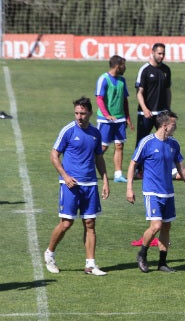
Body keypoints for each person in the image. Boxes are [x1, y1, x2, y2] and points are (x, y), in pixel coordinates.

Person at [44, 97, 110, 276]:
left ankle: (90, 264)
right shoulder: (68, 130)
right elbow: (54, 154)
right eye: (76, 113)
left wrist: (104, 180)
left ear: (89, 112)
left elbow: (99, 158)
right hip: (70, 185)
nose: (79, 116)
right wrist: (65, 176)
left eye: (82, 113)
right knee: (66, 223)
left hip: (90, 184)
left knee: (90, 223)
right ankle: (49, 254)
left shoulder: (96, 133)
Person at [126, 111, 185, 273]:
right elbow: (133, 164)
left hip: (168, 192)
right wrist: (129, 188)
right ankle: (142, 254)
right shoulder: (147, 142)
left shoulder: (173, 144)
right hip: (151, 191)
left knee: (166, 227)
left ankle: (162, 263)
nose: (175, 127)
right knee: (156, 226)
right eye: (173, 125)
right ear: (165, 126)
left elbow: (181, 167)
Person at [134, 43, 172, 178]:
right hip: (146, 113)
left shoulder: (166, 70)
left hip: (162, 113)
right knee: (142, 142)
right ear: (153, 52)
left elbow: (168, 91)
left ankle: (168, 169)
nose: (161, 56)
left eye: (163, 53)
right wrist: (145, 109)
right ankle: (137, 169)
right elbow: (139, 92)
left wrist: (168, 109)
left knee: (166, 139)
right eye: (159, 53)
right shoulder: (145, 69)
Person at [95, 55, 134, 183]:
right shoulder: (103, 79)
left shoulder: (122, 80)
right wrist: (106, 115)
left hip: (120, 119)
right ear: (118, 66)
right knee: (102, 147)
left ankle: (118, 175)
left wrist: (127, 117)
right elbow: (99, 99)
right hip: (105, 120)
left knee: (119, 145)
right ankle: (87, 168)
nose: (125, 68)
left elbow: (124, 100)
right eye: (124, 65)